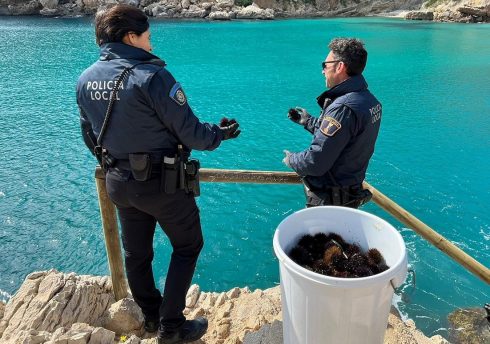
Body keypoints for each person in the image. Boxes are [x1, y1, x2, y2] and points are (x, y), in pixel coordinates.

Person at [76, 5, 240, 344]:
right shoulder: (152, 76)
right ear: (130, 37)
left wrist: (119, 163)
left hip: (118, 183)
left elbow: (91, 137)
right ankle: (171, 327)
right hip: (161, 185)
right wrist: (221, 133)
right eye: (148, 37)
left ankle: (150, 316)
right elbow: (193, 134)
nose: (151, 45)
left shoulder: (85, 79)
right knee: (188, 245)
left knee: (137, 254)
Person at [283, 38, 381, 208]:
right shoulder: (370, 102)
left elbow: (316, 162)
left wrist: (292, 160)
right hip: (350, 195)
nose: (323, 71)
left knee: (321, 236)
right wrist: (307, 122)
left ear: (340, 66)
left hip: (330, 201)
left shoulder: (342, 108)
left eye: (325, 65)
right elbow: (345, 136)